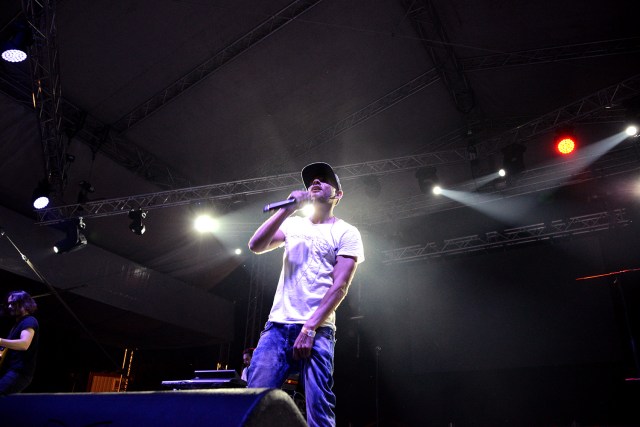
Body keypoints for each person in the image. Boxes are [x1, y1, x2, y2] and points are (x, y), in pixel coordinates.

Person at [247, 162, 365, 427]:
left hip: (318, 329)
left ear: (338, 195)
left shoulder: (347, 232)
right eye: (312, 180)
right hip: (277, 327)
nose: (315, 182)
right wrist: (287, 209)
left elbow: (340, 286)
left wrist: (310, 328)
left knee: (319, 408)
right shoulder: (293, 224)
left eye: (324, 179)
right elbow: (256, 245)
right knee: (253, 403)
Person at [0, 290, 39, 395]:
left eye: (13, 303)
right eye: (9, 304)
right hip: (11, 371)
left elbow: (24, 344)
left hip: (19, 373)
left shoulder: (29, 321)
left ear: (24, 304)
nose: (9, 307)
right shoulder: (17, 324)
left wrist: (0, 341)